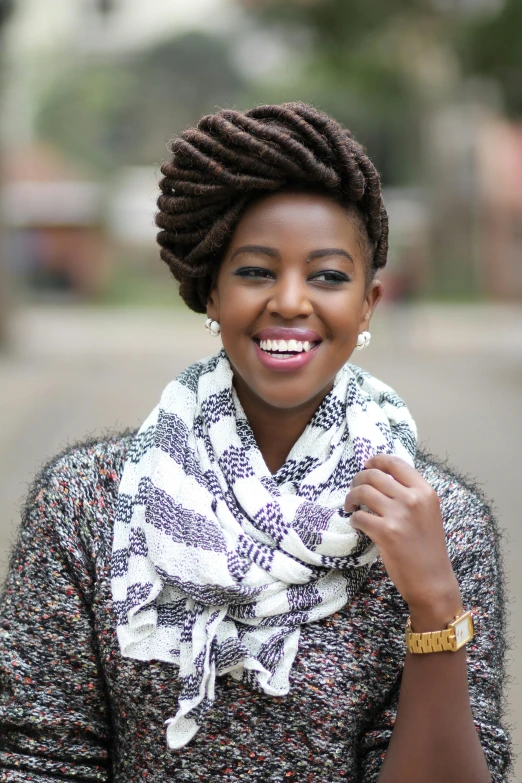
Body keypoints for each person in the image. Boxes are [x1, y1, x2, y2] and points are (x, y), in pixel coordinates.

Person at [0, 103, 512, 782]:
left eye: (328, 275)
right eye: (256, 272)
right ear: (211, 292)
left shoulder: (438, 523)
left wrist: (435, 604)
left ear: (369, 302)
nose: (292, 301)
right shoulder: (89, 502)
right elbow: (39, 757)